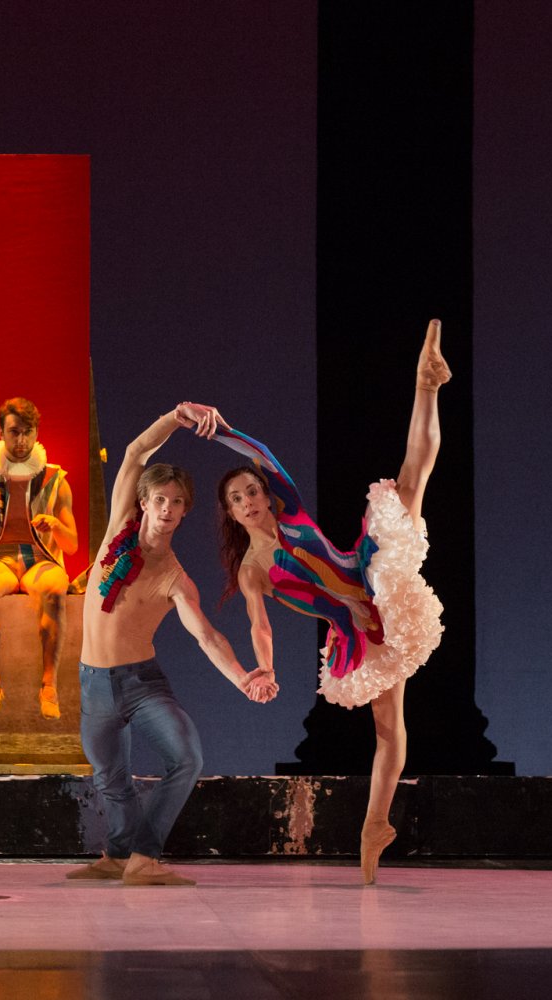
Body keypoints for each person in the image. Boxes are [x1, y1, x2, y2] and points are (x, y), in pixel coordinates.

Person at [212, 319, 449, 884]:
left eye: (250, 492)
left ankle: (427, 386)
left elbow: (261, 451)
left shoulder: (289, 508)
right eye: (236, 499)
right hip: (356, 629)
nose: (247, 501)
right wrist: (263, 666)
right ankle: (375, 824)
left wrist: (219, 431)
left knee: (409, 485)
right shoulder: (252, 570)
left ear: (264, 497)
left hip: (367, 571)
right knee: (389, 729)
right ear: (230, 512)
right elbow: (260, 626)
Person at [67, 403, 278, 887]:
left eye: (177, 502)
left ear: (185, 511)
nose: (167, 509)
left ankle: (145, 856)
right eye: (160, 499)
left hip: (143, 683)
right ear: (144, 503)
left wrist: (244, 677)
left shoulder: (176, 579)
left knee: (187, 758)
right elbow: (136, 450)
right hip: (94, 683)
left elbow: (206, 635)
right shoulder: (118, 528)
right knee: (111, 780)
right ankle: (118, 857)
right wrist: (178, 414)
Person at [0, 398, 79, 719]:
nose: (21, 440)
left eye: (28, 432)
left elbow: (72, 544)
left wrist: (56, 524)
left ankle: (48, 684)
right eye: (14, 432)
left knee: (54, 590)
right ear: (1, 433)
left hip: (41, 561)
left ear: (37, 433)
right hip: (2, 561)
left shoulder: (54, 478)